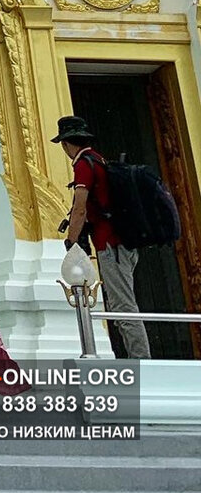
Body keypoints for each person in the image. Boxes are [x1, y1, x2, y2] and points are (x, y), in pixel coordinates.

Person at [52, 115, 150, 359]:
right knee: (122, 304)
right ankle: (138, 357)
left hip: (111, 245)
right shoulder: (98, 159)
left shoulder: (83, 164)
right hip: (122, 243)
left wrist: (72, 241)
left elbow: (80, 208)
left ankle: (142, 361)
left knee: (123, 307)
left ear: (65, 143)